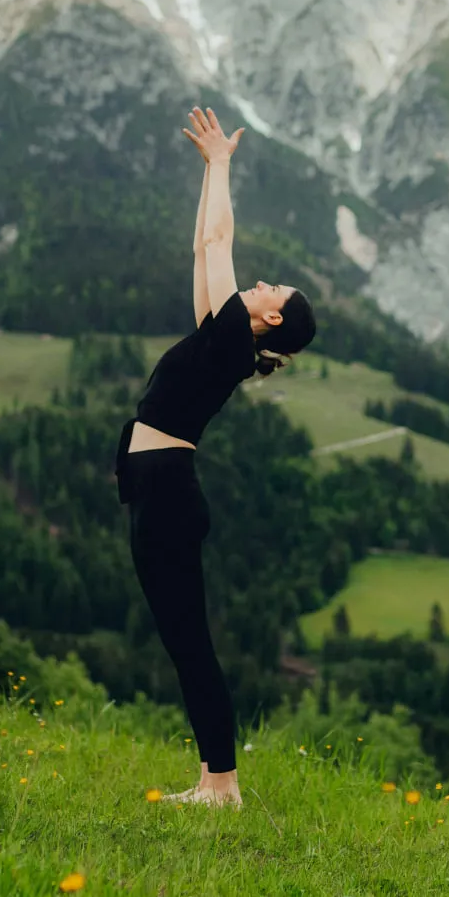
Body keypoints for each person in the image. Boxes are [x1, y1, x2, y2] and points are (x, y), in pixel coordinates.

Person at [114, 105, 317, 808]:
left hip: (167, 495)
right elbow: (205, 250)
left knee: (189, 642)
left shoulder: (231, 341)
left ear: (273, 320)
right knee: (183, 640)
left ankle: (222, 786)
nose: (260, 284)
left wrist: (226, 166)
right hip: (158, 491)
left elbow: (223, 238)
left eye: (272, 291)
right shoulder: (220, 333)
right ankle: (212, 781)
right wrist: (209, 169)